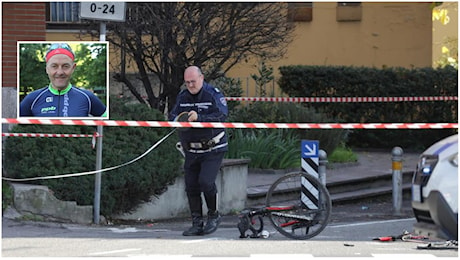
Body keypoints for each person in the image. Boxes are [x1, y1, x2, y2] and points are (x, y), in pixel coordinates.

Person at [169, 66, 228, 236]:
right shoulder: (183, 95)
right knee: (191, 186)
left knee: (206, 182)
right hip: (191, 149)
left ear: (201, 78)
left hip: (212, 147)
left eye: (193, 81)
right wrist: (177, 120)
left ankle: (214, 216)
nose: (190, 85)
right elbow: (173, 115)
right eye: (187, 82)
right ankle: (197, 222)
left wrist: (199, 118)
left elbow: (222, 115)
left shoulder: (212, 94)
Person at [19, 43, 107, 117]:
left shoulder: (87, 97)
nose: (60, 72)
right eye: (54, 66)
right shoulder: (32, 99)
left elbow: (108, 126)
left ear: (73, 68)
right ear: (47, 69)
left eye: (65, 66)